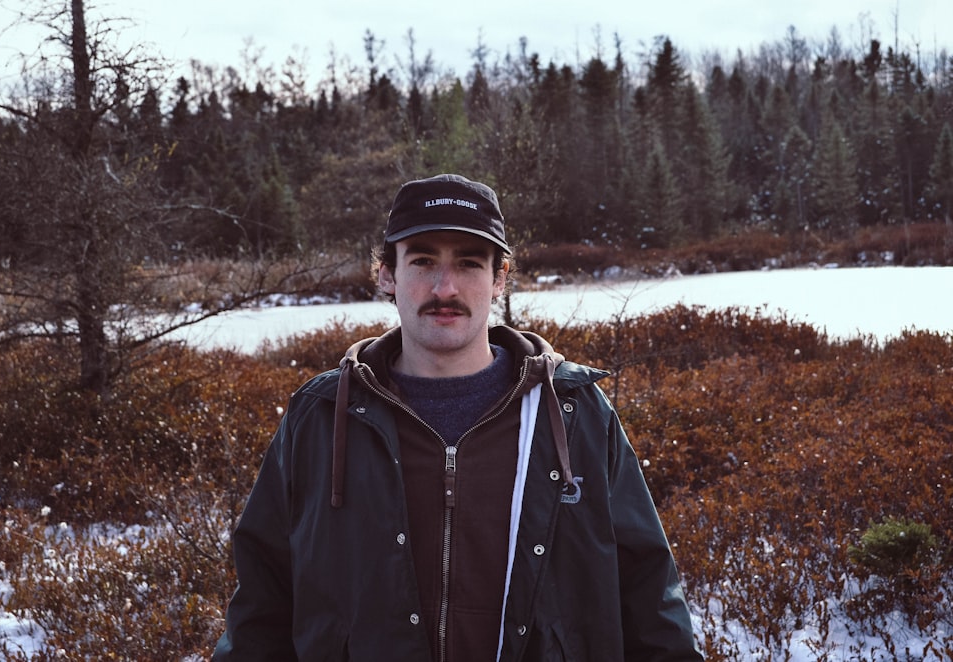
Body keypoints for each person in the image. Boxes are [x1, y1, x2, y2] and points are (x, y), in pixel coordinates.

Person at [212, 174, 704, 661]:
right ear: (387, 273)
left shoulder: (575, 414)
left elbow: (648, 593)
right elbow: (262, 604)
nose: (444, 287)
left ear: (499, 280)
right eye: (423, 260)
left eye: (468, 263)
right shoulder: (318, 419)